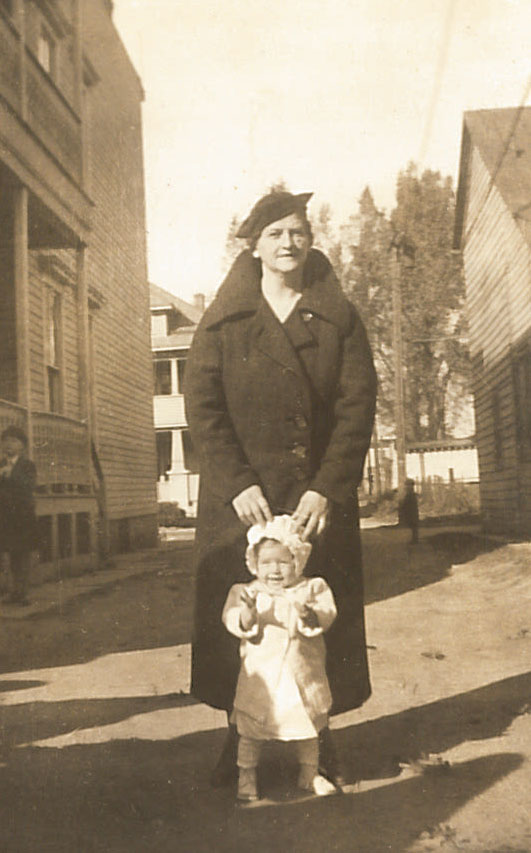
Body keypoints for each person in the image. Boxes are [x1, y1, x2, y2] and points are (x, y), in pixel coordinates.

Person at [184, 189, 377, 786]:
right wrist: (237, 482)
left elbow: (356, 408)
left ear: (310, 240)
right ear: (254, 247)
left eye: (298, 232)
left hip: (316, 500)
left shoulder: (339, 316)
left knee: (320, 616)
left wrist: (327, 488)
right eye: (275, 234)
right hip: (242, 500)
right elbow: (203, 407)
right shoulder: (224, 321)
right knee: (241, 617)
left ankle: (321, 739)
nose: (289, 243)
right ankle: (235, 739)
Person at [223, 516, 337, 801]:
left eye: (283, 562)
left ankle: (309, 773)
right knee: (251, 729)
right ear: (254, 563)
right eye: (266, 563)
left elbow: (325, 615)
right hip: (262, 678)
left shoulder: (312, 588)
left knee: (308, 726)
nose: (274, 570)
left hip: (300, 674)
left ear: (297, 561)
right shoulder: (246, 592)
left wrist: (308, 614)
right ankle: (247, 775)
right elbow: (235, 620)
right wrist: (248, 613)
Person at [0, 426, 38, 605]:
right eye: (5, 440)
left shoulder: (27, 465)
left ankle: (23, 594)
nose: (8, 445)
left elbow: (28, 487)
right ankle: (14, 592)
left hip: (23, 518)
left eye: (14, 441)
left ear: (22, 446)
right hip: (6, 518)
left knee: (23, 555)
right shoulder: (1, 465)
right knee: (12, 555)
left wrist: (10, 476)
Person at [398, 478, 419, 544]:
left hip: (412, 511)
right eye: (407, 485)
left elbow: (408, 502)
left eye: (408, 485)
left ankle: (415, 539)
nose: (407, 486)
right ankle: (414, 539)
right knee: (413, 525)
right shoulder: (409, 493)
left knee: (413, 525)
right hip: (411, 511)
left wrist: (402, 505)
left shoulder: (410, 494)